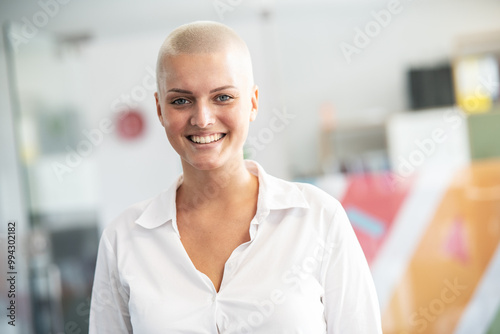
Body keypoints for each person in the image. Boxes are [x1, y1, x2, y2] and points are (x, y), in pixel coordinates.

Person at [89, 21, 382, 333]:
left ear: (253, 103)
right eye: (180, 100)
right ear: (160, 110)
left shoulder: (318, 218)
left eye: (223, 97)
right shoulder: (123, 240)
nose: (202, 118)